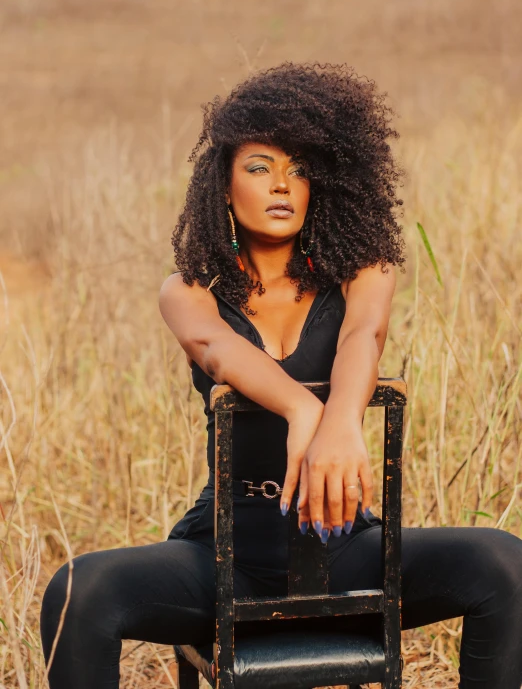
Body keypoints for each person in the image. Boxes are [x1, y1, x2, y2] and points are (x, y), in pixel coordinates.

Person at [40, 62, 522, 689]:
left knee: (506, 564)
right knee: (79, 590)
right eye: (260, 167)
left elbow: (363, 335)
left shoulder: (363, 269)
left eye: (299, 170)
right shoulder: (189, 291)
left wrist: (343, 418)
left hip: (342, 545)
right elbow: (214, 350)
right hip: (227, 553)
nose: (282, 186)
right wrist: (304, 411)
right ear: (223, 185)